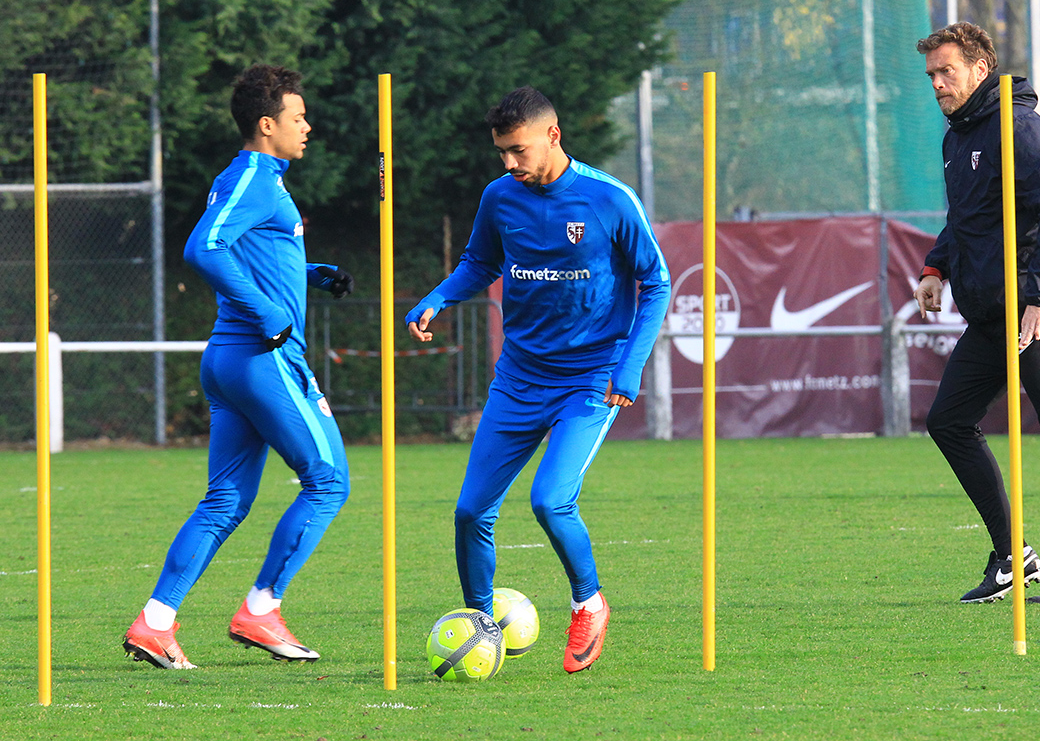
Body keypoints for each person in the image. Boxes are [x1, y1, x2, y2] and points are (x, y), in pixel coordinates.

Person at [406, 86, 670, 672]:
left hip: (591, 379)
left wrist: (629, 366)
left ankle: (589, 603)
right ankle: (480, 622)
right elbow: (480, 263)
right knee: (471, 512)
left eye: (517, 151)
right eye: (501, 152)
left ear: (552, 136)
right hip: (519, 379)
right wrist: (439, 297)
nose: (509, 164)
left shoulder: (609, 199)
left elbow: (656, 282)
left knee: (550, 501)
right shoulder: (499, 198)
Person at [123, 65, 354, 669]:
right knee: (329, 482)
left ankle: (156, 622)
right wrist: (269, 313)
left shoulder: (249, 177)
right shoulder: (255, 176)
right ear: (266, 124)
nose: (308, 127)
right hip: (261, 358)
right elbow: (203, 248)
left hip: (227, 360)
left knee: (225, 501)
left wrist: (306, 276)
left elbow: (247, 252)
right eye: (298, 118)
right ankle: (260, 608)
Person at [913, 23, 1040, 605]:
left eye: (946, 72)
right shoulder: (957, 138)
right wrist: (934, 268)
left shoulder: (1020, 129)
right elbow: (968, 220)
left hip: (1035, 310)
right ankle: (1012, 558)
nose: (937, 84)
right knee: (947, 421)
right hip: (991, 315)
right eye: (930, 75)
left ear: (980, 69)